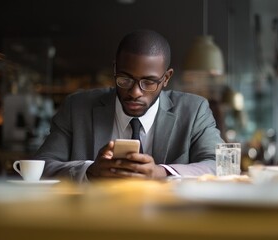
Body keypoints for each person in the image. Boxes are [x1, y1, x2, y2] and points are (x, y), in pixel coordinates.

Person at [34, 29, 224, 182]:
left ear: (166, 78)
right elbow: (40, 166)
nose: (135, 92)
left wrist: (161, 173)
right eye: (125, 79)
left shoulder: (194, 110)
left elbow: (220, 165)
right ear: (115, 69)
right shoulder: (77, 108)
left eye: (149, 82)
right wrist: (89, 171)